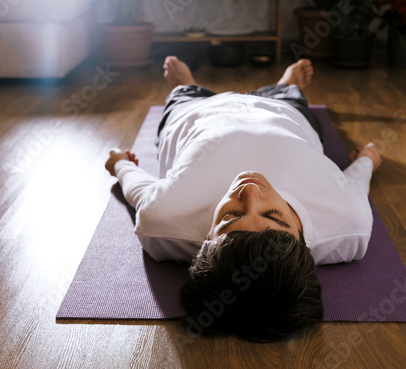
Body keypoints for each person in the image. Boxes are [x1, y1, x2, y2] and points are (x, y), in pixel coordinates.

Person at [105, 56, 381, 342]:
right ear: (302, 239)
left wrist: (120, 165)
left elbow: (139, 190)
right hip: (284, 112)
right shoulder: (349, 220)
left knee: (182, 95)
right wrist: (368, 160)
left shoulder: (162, 220)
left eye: (230, 217)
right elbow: (356, 183)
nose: (250, 190)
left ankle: (187, 84)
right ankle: (286, 84)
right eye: (274, 216)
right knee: (292, 96)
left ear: (206, 240)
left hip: (197, 112)